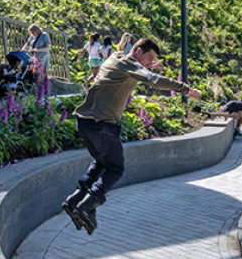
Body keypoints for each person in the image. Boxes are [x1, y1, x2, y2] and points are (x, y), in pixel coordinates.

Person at [62, 38, 201, 235]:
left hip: (85, 121)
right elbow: (154, 81)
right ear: (138, 51)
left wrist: (146, 67)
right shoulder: (131, 65)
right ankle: (87, 206)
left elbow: (135, 70)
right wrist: (185, 89)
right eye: (149, 57)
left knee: (101, 162)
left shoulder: (116, 58)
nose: (149, 62)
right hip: (102, 124)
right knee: (115, 168)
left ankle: (74, 199)